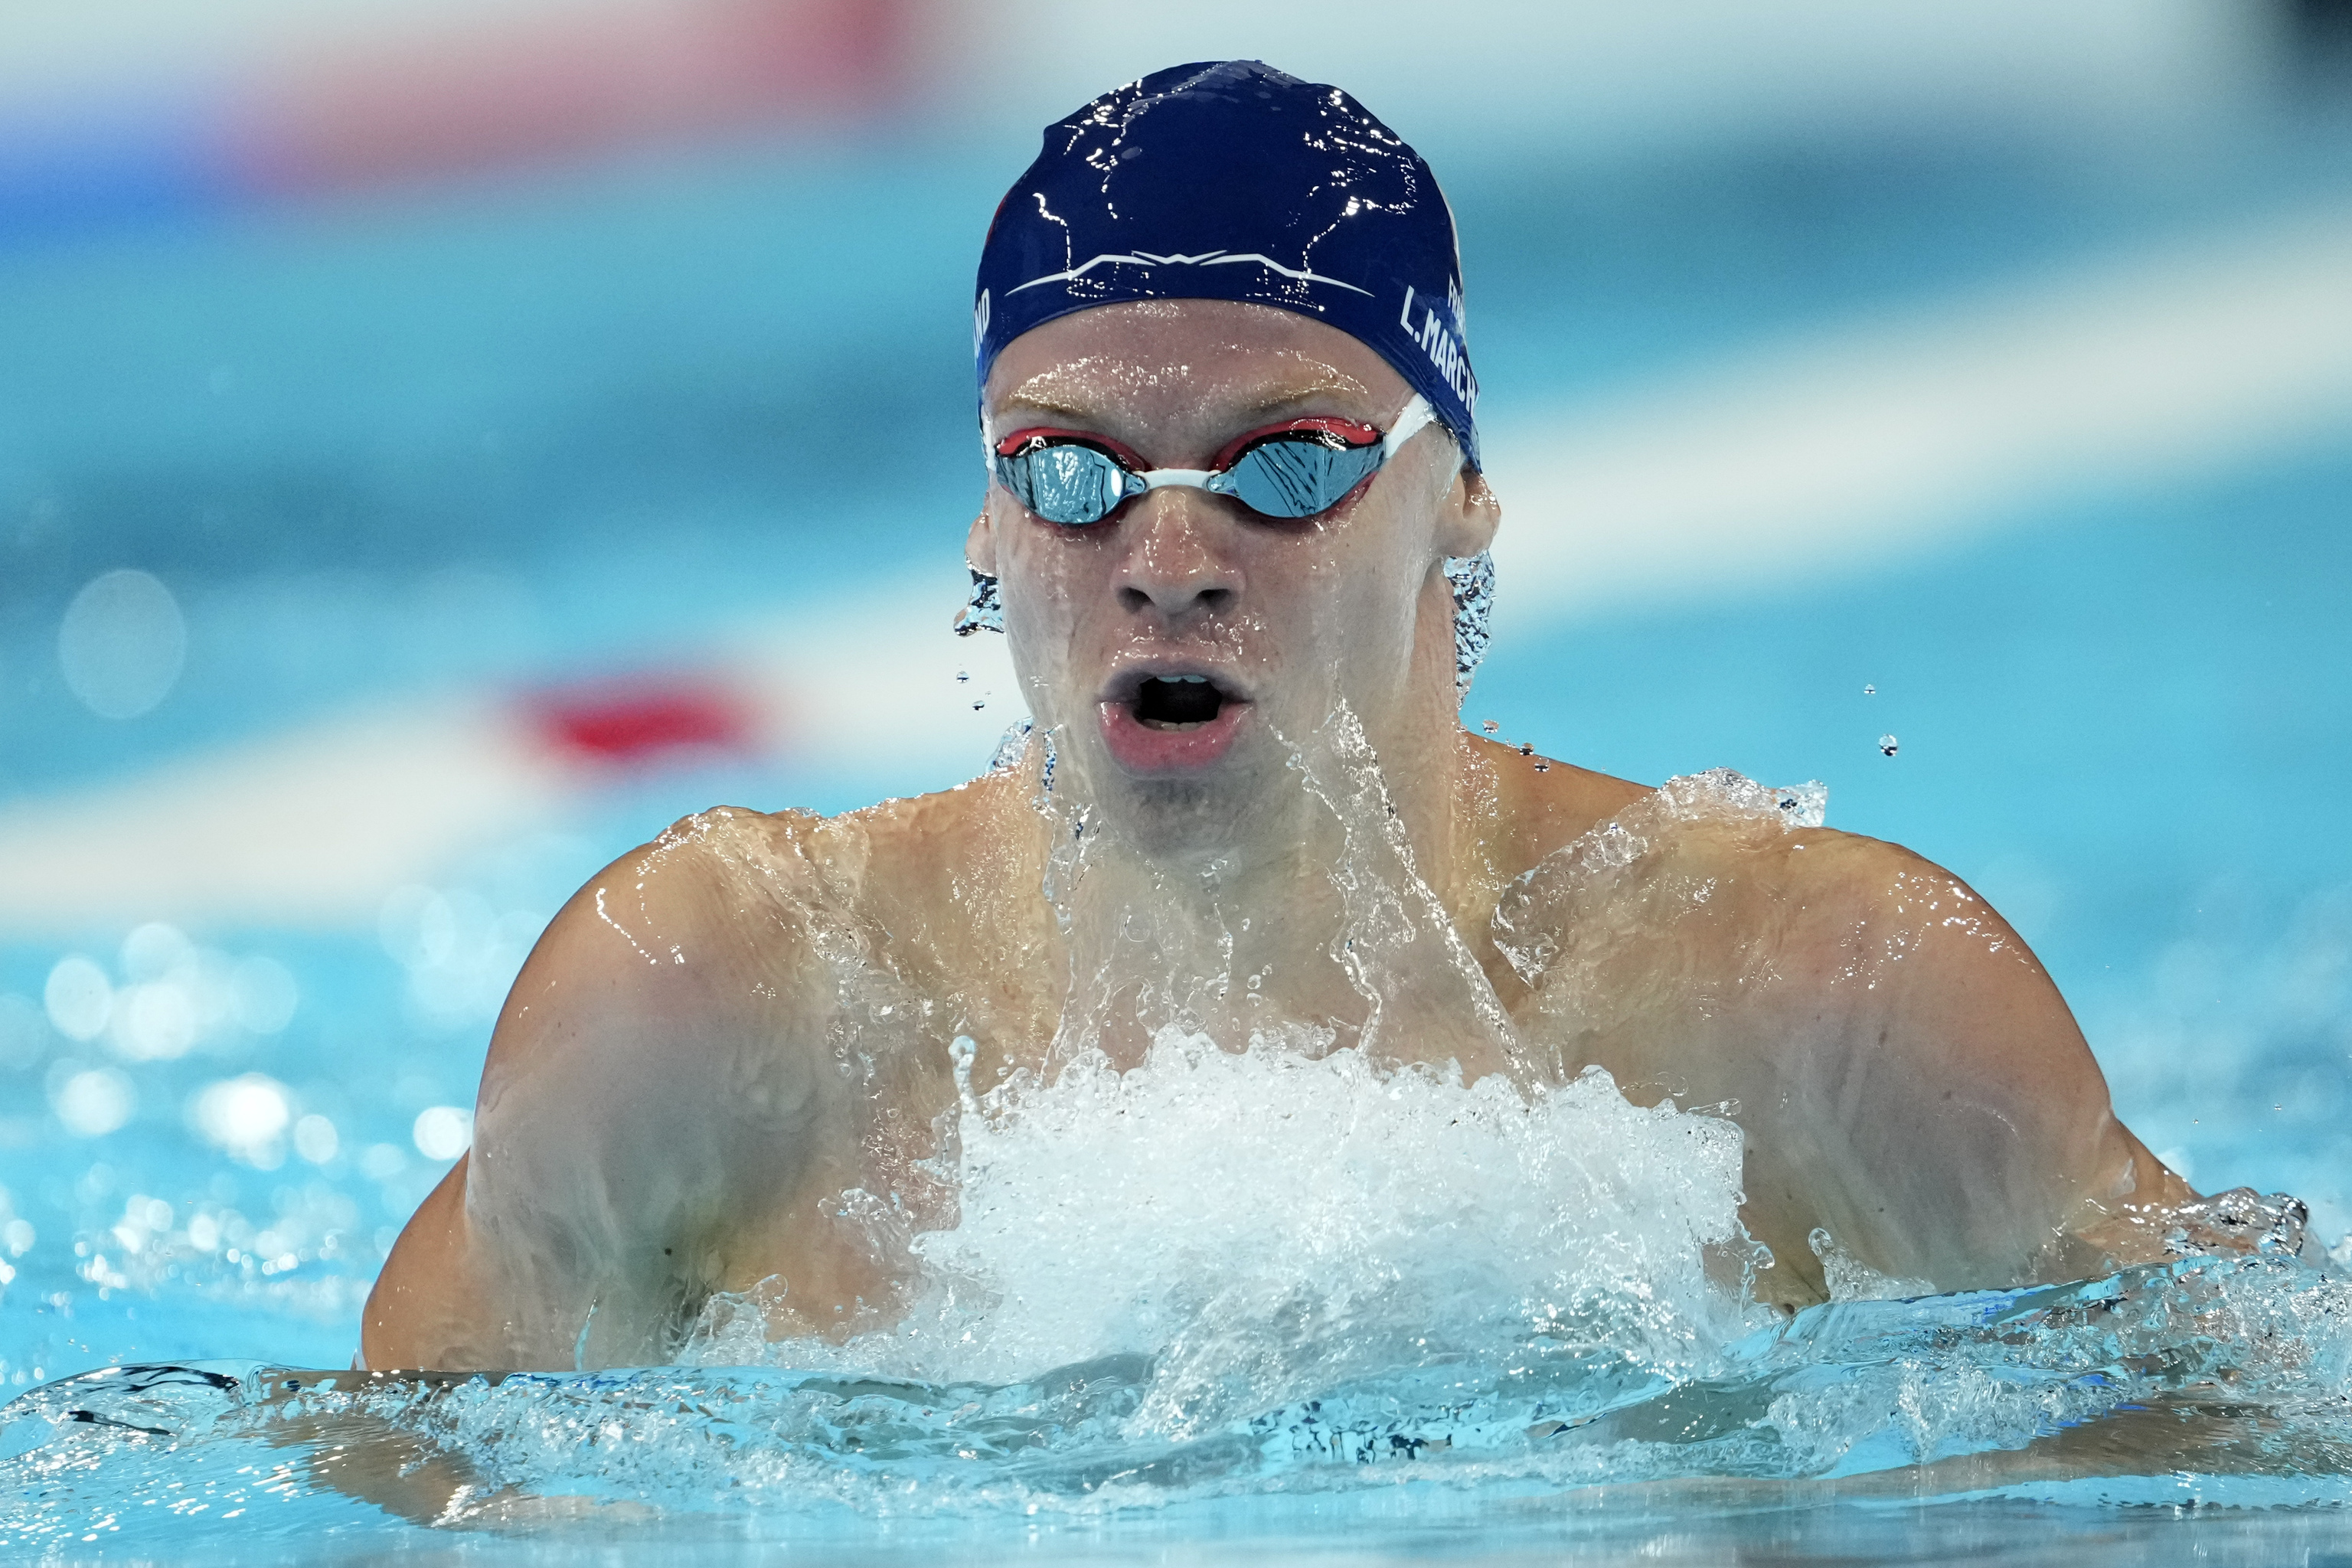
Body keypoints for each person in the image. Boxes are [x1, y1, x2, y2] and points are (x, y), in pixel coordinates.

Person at [362, 61, 2194, 1372]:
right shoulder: (714, 1007)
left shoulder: (1819, 1005)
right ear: (989, 519)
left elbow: (2228, 1420)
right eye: (1073, 474)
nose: (1169, 555)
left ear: (1457, 492)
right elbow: (402, 1492)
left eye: (1286, 461)